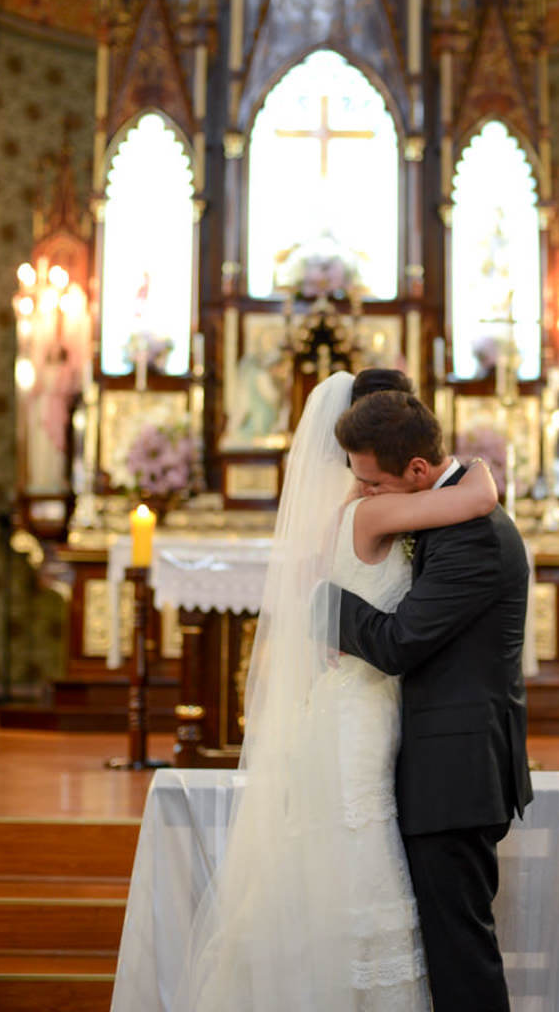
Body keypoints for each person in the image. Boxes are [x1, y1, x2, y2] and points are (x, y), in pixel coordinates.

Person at [169, 369, 499, 1011]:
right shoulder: (375, 508)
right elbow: (473, 499)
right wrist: (480, 467)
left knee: (339, 850)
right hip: (361, 713)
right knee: (359, 848)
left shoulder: (342, 513)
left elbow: (328, 596)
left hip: (351, 702)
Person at [334, 388, 533, 1012]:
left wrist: (322, 606)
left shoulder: (472, 536)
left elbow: (398, 642)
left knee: (461, 959)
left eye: (373, 483)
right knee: (446, 953)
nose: (363, 493)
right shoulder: (443, 510)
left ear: (418, 472)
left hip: (456, 774)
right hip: (434, 765)